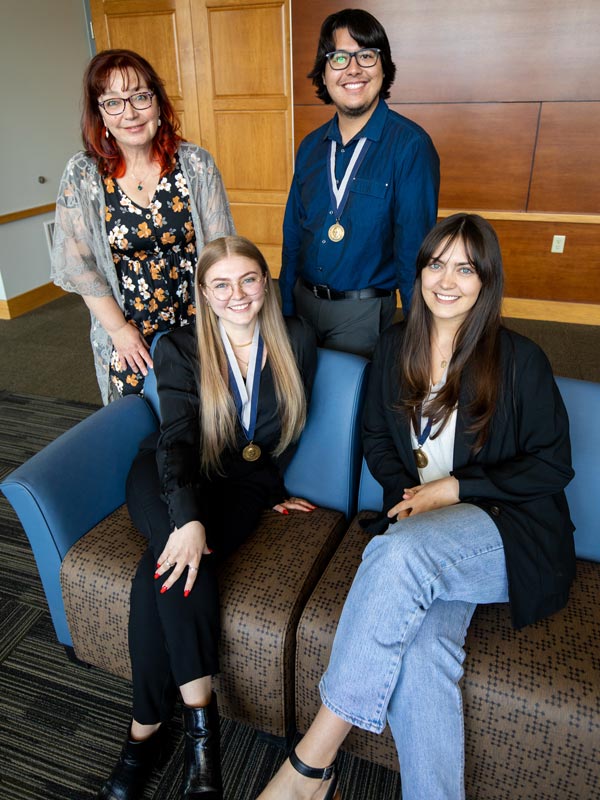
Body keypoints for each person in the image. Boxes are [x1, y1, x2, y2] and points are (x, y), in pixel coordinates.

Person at [258, 213, 575, 800]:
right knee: (424, 647)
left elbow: (553, 466)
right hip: (419, 527)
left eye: (465, 268)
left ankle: (311, 764)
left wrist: (451, 491)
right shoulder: (395, 344)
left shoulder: (519, 360)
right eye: (436, 264)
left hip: (506, 532)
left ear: (487, 280)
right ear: (420, 271)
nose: (447, 280)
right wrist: (411, 497)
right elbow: (379, 439)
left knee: (398, 555)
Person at [96, 235, 317, 800]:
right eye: (221, 284)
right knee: (180, 551)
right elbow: (176, 441)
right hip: (169, 472)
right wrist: (187, 519)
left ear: (265, 283)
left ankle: (142, 735)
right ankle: (202, 734)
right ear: (204, 294)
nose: (236, 294)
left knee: (165, 571)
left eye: (248, 279)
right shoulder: (181, 347)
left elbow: (287, 430)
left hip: (241, 485)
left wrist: (270, 488)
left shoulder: (295, 339)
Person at [51, 49, 235, 405]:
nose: (130, 113)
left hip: (196, 321)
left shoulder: (195, 164)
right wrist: (119, 331)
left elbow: (222, 249)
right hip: (128, 333)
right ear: (99, 112)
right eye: (114, 102)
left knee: (207, 418)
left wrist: (224, 324)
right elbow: (79, 265)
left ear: (158, 102)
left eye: (139, 96)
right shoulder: (84, 174)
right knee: (138, 426)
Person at [279, 8, 440, 359]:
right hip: (302, 305)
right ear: (324, 72)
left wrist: (420, 335)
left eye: (366, 55)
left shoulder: (411, 147)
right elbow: (293, 235)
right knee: (295, 400)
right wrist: (285, 307)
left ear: (384, 68)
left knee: (349, 407)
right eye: (338, 58)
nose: (353, 69)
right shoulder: (310, 146)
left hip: (361, 315)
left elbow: (414, 251)